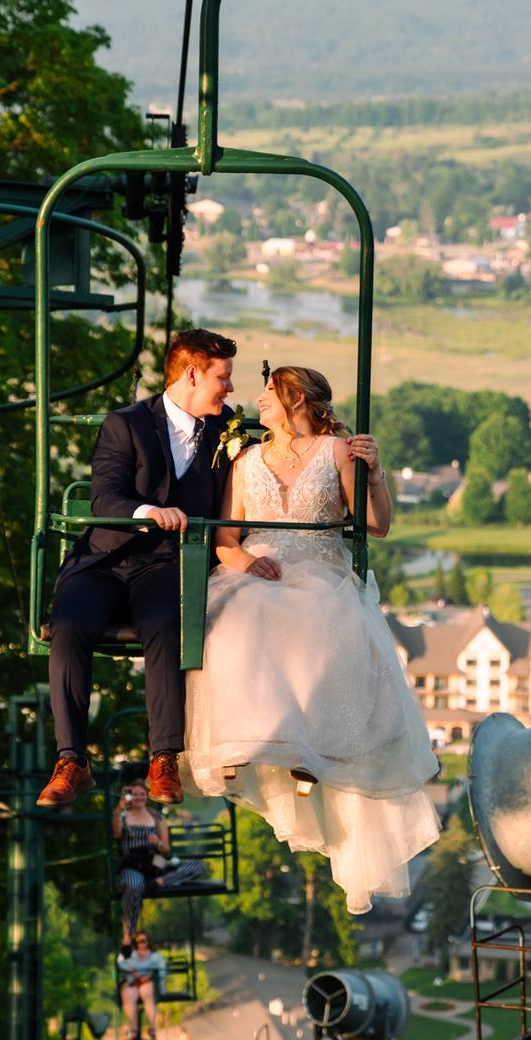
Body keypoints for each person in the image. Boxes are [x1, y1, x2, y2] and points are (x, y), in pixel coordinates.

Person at [184, 366, 440, 914]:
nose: (257, 402)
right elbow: (227, 539)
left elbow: (376, 524)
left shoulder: (337, 452)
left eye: (268, 394)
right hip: (260, 572)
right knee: (233, 621)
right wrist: (249, 561)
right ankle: (243, 743)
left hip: (318, 571)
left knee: (317, 626)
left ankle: (310, 749)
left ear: (294, 398)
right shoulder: (245, 460)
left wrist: (375, 474)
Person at [40, 328, 240, 809]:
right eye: (223, 376)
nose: (230, 388)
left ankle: (164, 757)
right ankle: (71, 761)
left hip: (166, 564)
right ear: (192, 373)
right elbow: (106, 493)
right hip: (106, 558)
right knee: (69, 627)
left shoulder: (227, 428)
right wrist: (147, 512)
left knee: (165, 625)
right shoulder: (126, 424)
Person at [112, 773, 208, 944]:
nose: (139, 798)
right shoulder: (123, 816)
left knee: (197, 866)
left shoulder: (157, 817)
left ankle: (160, 882)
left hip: (154, 860)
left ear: (147, 796)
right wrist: (120, 807)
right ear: (129, 796)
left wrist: (157, 843)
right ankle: (128, 934)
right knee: (134, 885)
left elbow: (165, 850)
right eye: (135, 794)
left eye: (142, 794)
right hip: (133, 862)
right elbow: (116, 834)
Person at [116, 932, 167, 1040]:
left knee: (147, 993)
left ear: (148, 942)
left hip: (148, 982)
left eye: (143, 941)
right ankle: (134, 1030)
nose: (140, 944)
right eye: (138, 941)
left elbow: (161, 971)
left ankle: (152, 1028)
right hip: (133, 982)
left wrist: (148, 977)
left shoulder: (155, 957)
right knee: (128, 995)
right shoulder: (131, 955)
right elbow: (121, 963)